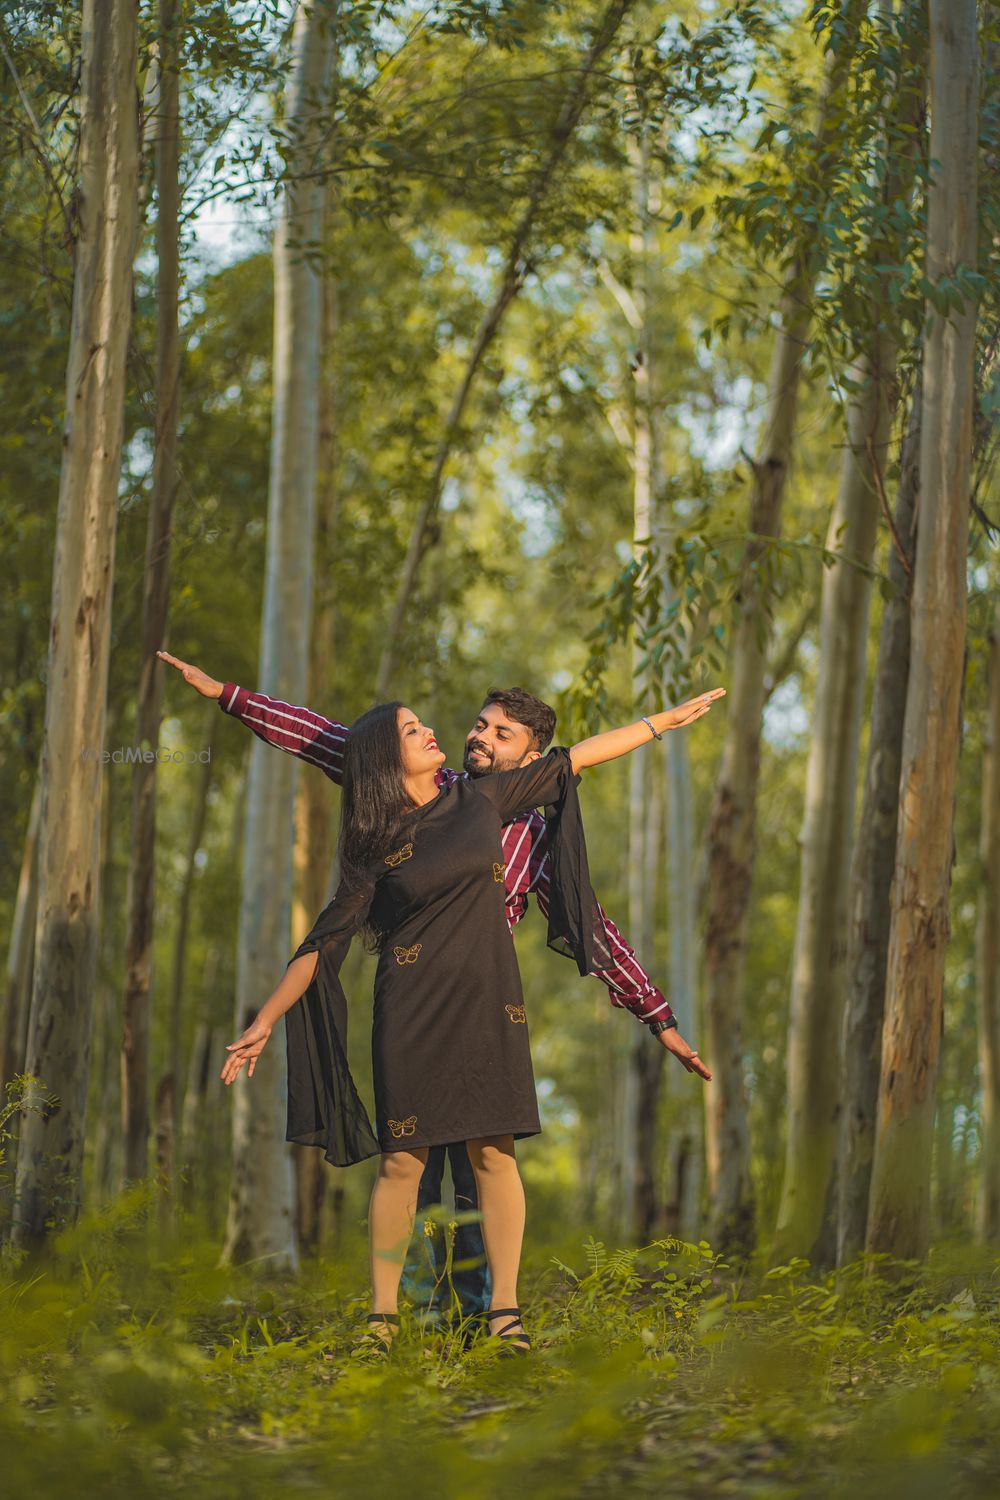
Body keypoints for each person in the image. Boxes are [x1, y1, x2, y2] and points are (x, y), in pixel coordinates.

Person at [157, 651, 710, 1326]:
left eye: (500, 733)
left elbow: (595, 928)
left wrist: (660, 1018)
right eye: (479, 724)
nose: (479, 736)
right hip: (415, 1001)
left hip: (482, 1002)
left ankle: (482, 1314)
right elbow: (325, 737)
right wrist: (229, 694)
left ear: (528, 754)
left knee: (486, 1169)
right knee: (410, 1171)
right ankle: (410, 1315)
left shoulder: (529, 831)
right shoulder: (426, 793)